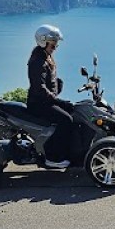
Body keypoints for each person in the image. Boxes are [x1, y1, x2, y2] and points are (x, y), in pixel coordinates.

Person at [26, 24, 77, 169]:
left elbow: (48, 82)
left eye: (56, 45)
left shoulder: (45, 56)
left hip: (45, 101)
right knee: (66, 120)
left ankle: (68, 151)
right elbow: (39, 89)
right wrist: (59, 102)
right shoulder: (38, 61)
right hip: (38, 104)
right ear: (43, 41)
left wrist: (57, 85)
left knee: (73, 113)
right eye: (53, 44)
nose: (55, 48)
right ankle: (53, 157)